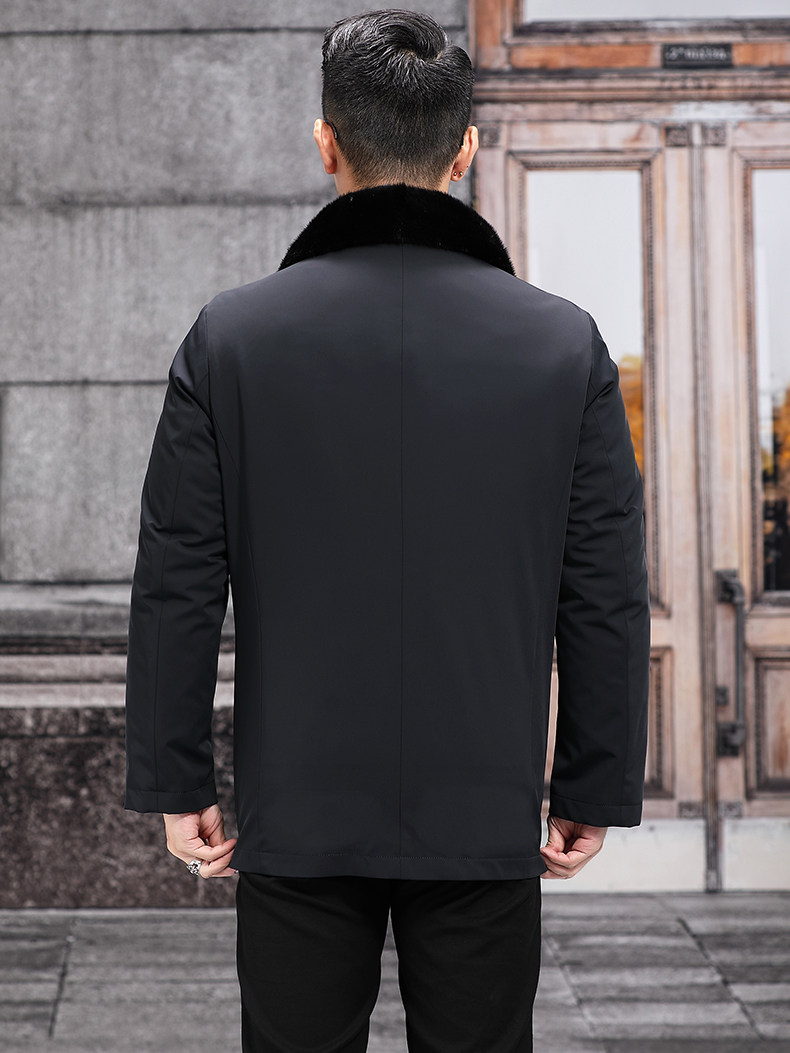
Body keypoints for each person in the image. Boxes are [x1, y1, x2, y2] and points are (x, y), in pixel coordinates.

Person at [125, 9, 650, 1051]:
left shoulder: (234, 337)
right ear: (466, 150)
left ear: (326, 144)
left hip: (300, 804)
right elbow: (603, 586)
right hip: (482, 802)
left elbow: (177, 577)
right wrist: (593, 780)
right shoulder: (560, 344)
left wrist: (176, 778)